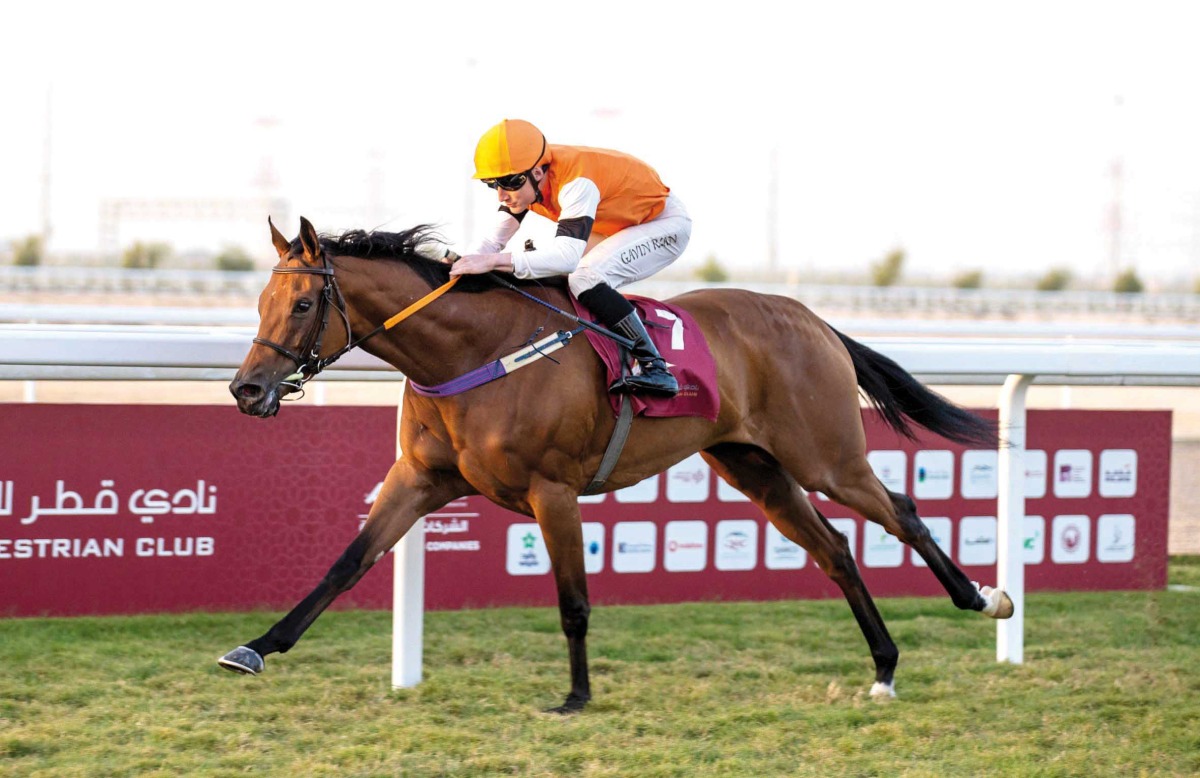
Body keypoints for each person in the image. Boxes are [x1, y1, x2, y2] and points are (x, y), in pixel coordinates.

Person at [436, 119, 692, 397]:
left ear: (537, 171)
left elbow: (567, 258)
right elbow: (491, 243)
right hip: (620, 224)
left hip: (664, 224)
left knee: (583, 276)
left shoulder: (576, 183)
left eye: (508, 183)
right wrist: (461, 265)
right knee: (545, 267)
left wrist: (491, 262)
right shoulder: (527, 181)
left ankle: (655, 366)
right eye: (492, 184)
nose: (501, 194)